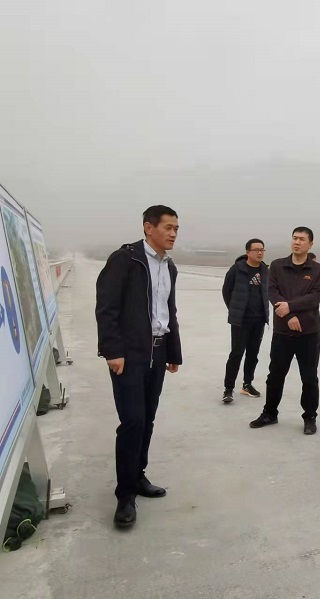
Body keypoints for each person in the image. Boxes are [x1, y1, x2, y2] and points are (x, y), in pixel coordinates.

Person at [95, 205, 182, 528]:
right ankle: (125, 495)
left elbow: (168, 312)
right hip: (129, 356)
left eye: (176, 229)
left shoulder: (169, 267)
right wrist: (112, 350)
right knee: (132, 421)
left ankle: (138, 475)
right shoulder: (125, 259)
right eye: (168, 227)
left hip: (158, 352)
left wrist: (173, 352)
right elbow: (106, 307)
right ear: (148, 227)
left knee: (147, 419)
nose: (173, 234)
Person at [249, 227, 320, 435]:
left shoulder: (318, 270)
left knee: (309, 378)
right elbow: (272, 292)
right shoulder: (277, 265)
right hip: (283, 332)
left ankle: (310, 416)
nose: (297, 242)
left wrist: (290, 307)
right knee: (275, 375)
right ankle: (269, 413)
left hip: (308, 333)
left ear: (310, 244)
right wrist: (289, 316)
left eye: (302, 239)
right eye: (294, 238)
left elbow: (315, 297)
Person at [221, 238, 270, 404]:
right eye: (256, 250)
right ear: (248, 252)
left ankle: (247, 384)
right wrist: (234, 309)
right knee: (236, 354)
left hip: (259, 319)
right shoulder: (237, 269)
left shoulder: (265, 270)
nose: (260, 252)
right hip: (241, 320)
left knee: (253, 354)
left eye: (262, 249)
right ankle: (228, 388)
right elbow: (226, 291)